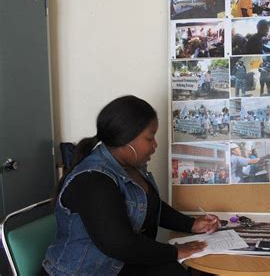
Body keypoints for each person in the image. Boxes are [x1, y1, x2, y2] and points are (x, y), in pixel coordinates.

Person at [42, 96, 220, 275]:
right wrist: (176, 251)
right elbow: (119, 244)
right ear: (126, 139)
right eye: (150, 138)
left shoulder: (131, 167)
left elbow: (151, 205)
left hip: (120, 264)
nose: (155, 145)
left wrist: (191, 224)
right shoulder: (93, 180)